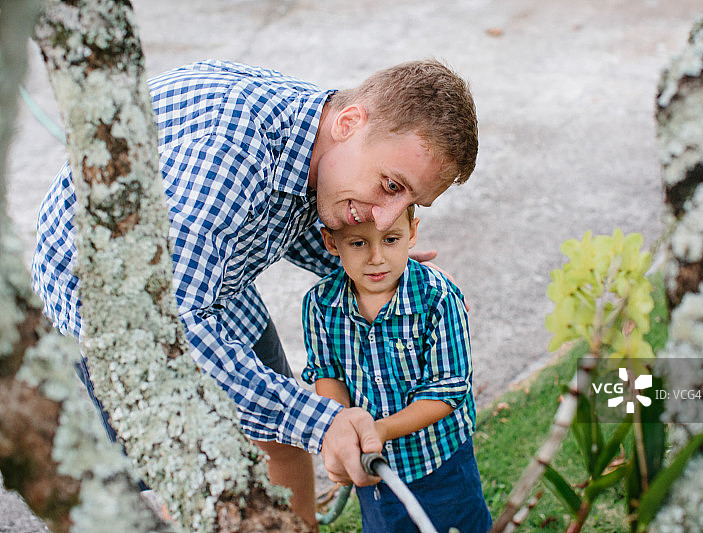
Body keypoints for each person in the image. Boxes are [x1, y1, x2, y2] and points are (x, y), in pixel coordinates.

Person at [31, 58, 478, 527]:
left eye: (410, 203)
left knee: (280, 437)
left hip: (215, 278)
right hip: (114, 304)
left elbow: (290, 216)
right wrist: (322, 422)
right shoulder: (228, 154)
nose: (385, 218)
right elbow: (173, 330)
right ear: (349, 123)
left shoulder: (327, 141)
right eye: (390, 185)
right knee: (196, 474)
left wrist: (385, 269)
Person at [301, 205, 492, 532]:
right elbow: (328, 374)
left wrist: (380, 430)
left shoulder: (437, 297)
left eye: (390, 239)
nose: (376, 258)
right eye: (358, 243)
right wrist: (344, 425)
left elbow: (448, 389)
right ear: (331, 243)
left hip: (441, 461)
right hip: (376, 471)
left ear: (412, 233)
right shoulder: (320, 304)